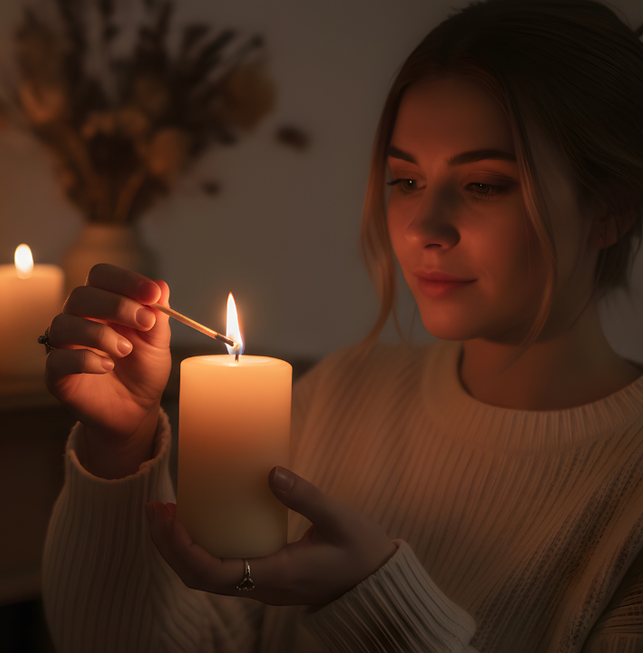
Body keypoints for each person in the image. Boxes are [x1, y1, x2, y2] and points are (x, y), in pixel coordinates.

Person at [39, 0, 643, 650]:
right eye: (405, 179)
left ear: (609, 208)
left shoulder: (626, 489)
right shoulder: (343, 393)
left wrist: (373, 598)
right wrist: (120, 448)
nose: (421, 226)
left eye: (484, 185)